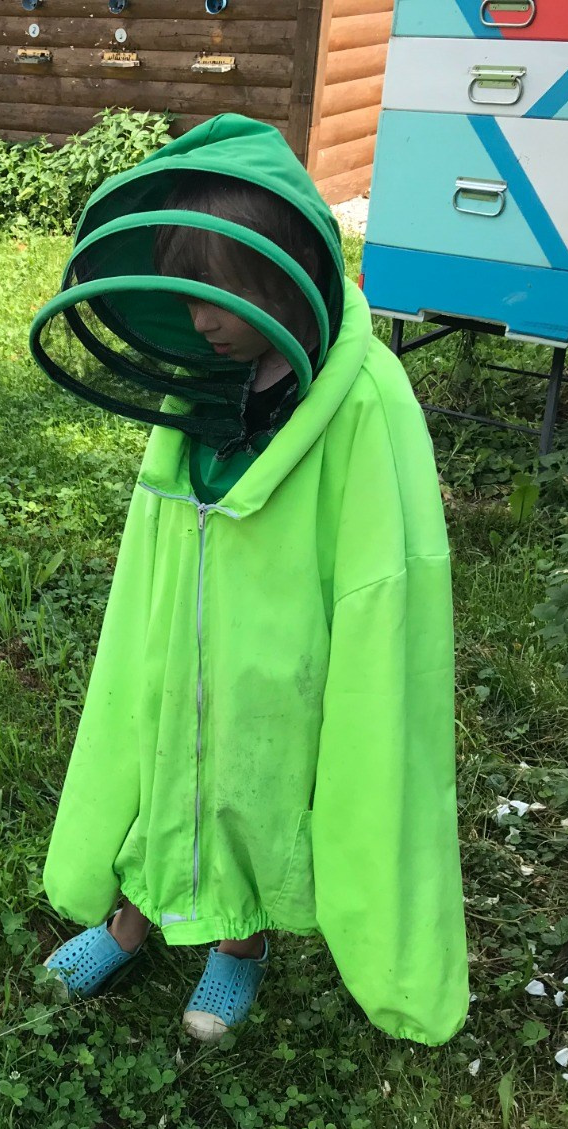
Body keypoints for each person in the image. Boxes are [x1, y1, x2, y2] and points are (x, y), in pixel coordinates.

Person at [29, 115, 469, 1046]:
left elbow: (386, 563)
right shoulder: (201, 376)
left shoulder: (369, 398)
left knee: (253, 794)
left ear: (280, 280)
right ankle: (131, 922)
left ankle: (239, 946)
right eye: (184, 297)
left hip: (283, 659)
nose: (200, 321)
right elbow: (167, 508)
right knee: (163, 775)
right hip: (181, 633)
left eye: (218, 296)